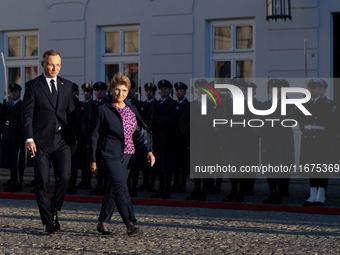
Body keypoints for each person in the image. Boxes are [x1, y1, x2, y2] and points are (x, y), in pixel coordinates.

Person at [90, 72, 155, 236]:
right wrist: (93, 160)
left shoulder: (131, 108)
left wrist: (149, 150)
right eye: (117, 90)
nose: (120, 94)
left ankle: (102, 222)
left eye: (124, 91)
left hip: (128, 154)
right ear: (112, 90)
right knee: (121, 186)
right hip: (109, 154)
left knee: (113, 188)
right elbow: (94, 135)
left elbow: (140, 131)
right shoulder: (103, 108)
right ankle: (130, 223)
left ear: (128, 92)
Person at [22, 50, 77, 235]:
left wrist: (73, 140)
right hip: (40, 142)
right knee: (42, 182)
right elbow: (27, 115)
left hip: (62, 142)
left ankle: (54, 209)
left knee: (65, 178)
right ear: (43, 64)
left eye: (58, 65)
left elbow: (71, 115)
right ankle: (47, 221)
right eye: (51, 64)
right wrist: (29, 139)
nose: (55, 68)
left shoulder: (66, 85)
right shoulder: (33, 85)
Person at [299, 78, 335, 206]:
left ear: (321, 89)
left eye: (314, 87)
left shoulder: (328, 104)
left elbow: (332, 124)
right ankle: (312, 193)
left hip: (321, 139)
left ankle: (321, 194)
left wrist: (329, 142)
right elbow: (300, 119)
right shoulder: (305, 103)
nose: (312, 89)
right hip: (308, 138)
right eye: (310, 87)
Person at [148, 80, 178, 199]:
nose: (162, 90)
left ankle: (167, 189)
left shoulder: (172, 104)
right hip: (157, 138)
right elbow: (149, 118)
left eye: (165, 89)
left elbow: (173, 120)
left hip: (168, 139)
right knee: (158, 165)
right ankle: (160, 188)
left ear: (170, 91)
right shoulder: (155, 103)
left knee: (167, 166)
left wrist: (158, 119)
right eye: (161, 89)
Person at [1, 83, 25, 192]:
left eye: (15, 92)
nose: (13, 93)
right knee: (11, 161)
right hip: (8, 136)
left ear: (20, 93)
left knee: (18, 161)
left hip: (17, 136)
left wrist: (21, 137)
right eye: (11, 92)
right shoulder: (9, 105)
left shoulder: (22, 106)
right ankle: (13, 180)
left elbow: (23, 123)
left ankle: (18, 182)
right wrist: (4, 106)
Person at [88, 81, 108, 196]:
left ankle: (103, 185)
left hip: (102, 136)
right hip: (93, 135)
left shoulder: (106, 103)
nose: (98, 92)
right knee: (94, 160)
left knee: (102, 162)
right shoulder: (93, 103)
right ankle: (98, 184)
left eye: (100, 90)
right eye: (96, 91)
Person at [172, 82, 190, 193]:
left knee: (183, 163)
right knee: (175, 162)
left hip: (184, 137)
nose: (179, 93)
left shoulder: (187, 105)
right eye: (177, 91)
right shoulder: (173, 105)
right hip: (173, 137)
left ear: (185, 92)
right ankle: (176, 182)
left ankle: (182, 183)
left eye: (181, 90)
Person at [76, 83, 93, 190]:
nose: (85, 93)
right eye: (84, 91)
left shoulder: (93, 104)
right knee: (82, 159)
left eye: (88, 91)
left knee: (89, 159)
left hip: (89, 136)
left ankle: (88, 181)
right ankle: (83, 180)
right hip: (81, 136)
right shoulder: (81, 104)